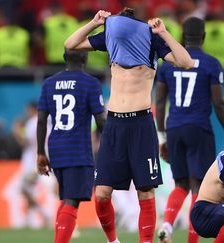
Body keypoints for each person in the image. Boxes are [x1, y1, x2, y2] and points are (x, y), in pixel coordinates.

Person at [64, 8, 194, 243]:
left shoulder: (151, 40)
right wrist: (94, 23)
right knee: (102, 193)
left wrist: (164, 33)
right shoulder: (111, 37)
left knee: (145, 191)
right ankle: (113, 241)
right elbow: (71, 43)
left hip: (141, 123)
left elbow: (186, 62)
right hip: (113, 123)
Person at [155, 17, 224, 243]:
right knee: (199, 189)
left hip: (174, 127)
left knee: (179, 184)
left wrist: (162, 137)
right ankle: (192, 240)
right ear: (203, 37)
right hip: (199, 128)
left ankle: (168, 226)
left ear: (182, 37)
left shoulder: (168, 62)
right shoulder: (211, 64)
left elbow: (159, 102)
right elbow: (219, 103)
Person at [36, 49, 106, 243]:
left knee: (66, 198)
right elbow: (101, 121)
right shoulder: (90, 83)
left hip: (56, 148)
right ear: (85, 57)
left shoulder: (49, 83)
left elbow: (41, 120)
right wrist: (111, 146)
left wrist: (40, 152)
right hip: (78, 149)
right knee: (72, 201)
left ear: (65, 58)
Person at [13, 102, 51, 228]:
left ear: (32, 109)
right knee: (29, 190)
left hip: (33, 162)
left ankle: (45, 214)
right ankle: (29, 220)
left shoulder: (33, 122)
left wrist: (17, 131)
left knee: (23, 189)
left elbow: (26, 142)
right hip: (44, 159)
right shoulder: (47, 122)